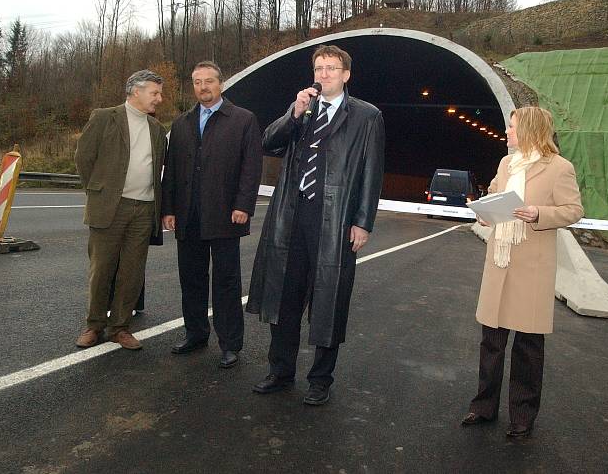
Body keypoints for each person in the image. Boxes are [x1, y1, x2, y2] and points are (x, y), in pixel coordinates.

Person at [247, 45, 385, 405]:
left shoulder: (366, 117)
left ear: (346, 74)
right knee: (284, 297)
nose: (324, 74)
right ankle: (280, 370)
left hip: (335, 220)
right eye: (319, 68)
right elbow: (269, 142)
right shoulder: (303, 110)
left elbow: (372, 173)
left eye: (331, 68)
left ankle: (321, 379)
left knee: (329, 299)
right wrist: (293, 113)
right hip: (291, 217)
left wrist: (363, 221)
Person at [461, 106, 583, 437]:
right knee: (491, 343)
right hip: (499, 264)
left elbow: (573, 210)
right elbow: (495, 198)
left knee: (528, 348)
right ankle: (483, 407)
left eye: (513, 127)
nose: (508, 132)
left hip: (532, 268)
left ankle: (522, 417)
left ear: (530, 129)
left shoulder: (559, 168)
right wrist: (484, 213)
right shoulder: (506, 163)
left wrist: (538, 213)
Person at [162, 60, 262, 368]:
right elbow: (173, 172)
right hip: (188, 216)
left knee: (226, 282)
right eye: (197, 82)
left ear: (221, 83)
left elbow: (251, 168)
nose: (203, 87)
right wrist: (168, 209)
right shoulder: (181, 124)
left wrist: (243, 205)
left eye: (208, 81)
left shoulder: (243, 120)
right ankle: (195, 334)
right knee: (191, 280)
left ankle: (230, 344)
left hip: (225, 216)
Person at [74, 70, 168, 350]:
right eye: (155, 93)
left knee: (132, 271)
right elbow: (84, 158)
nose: (159, 99)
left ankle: (120, 327)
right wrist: (100, 191)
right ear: (136, 91)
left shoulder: (157, 129)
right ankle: (94, 325)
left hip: (144, 209)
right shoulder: (105, 117)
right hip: (111, 208)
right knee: (102, 268)